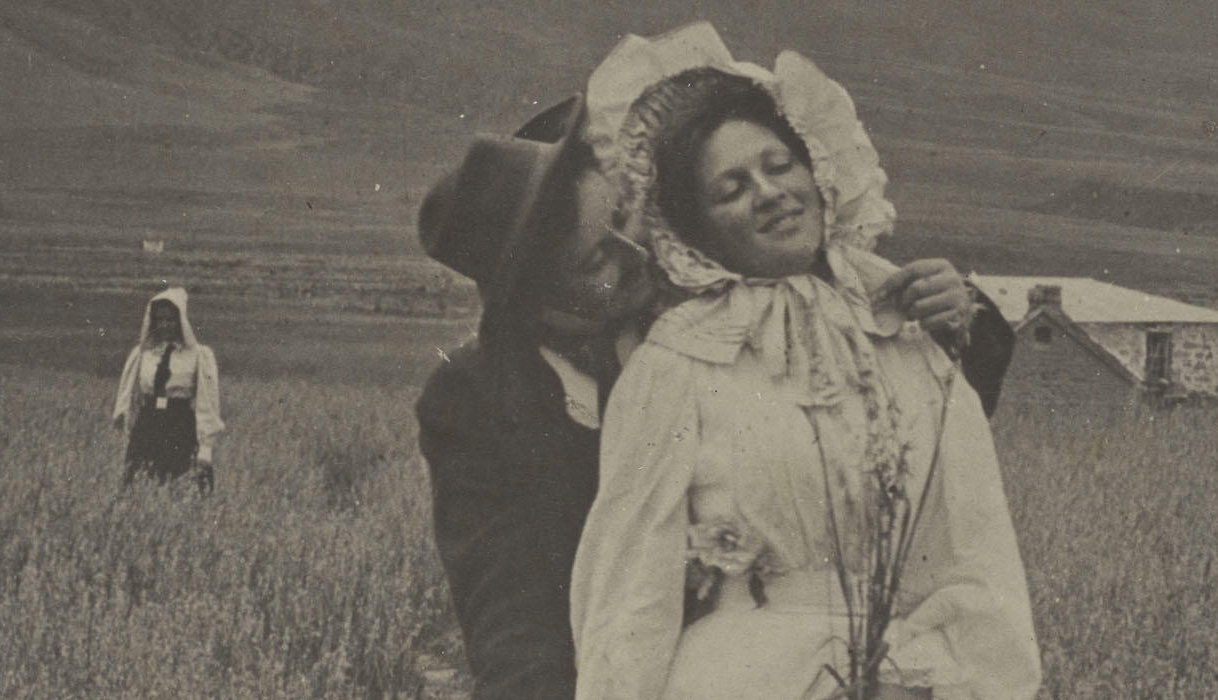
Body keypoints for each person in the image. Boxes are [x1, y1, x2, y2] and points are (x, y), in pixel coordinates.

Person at [414, 92, 1014, 699]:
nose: (637, 253)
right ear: (535, 299)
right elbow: (511, 610)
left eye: (624, 219)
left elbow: (881, 431)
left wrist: (962, 314)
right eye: (597, 258)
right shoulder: (480, 400)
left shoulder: (730, 301)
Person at [569, 24, 1040, 700]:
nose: (768, 193)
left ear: (817, 169)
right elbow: (630, 585)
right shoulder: (677, 361)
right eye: (730, 189)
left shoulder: (905, 330)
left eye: (777, 164)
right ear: (692, 229)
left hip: (909, 678)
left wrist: (930, 677)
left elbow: (975, 553)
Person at [110, 288, 223, 494]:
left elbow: (207, 403)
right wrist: (129, 429)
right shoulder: (143, 354)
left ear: (180, 320)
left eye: (171, 319)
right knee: (135, 485)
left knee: (178, 485)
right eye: (160, 319)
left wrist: (206, 448)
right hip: (148, 424)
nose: (165, 325)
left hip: (179, 425)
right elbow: (130, 396)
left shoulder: (197, 356)